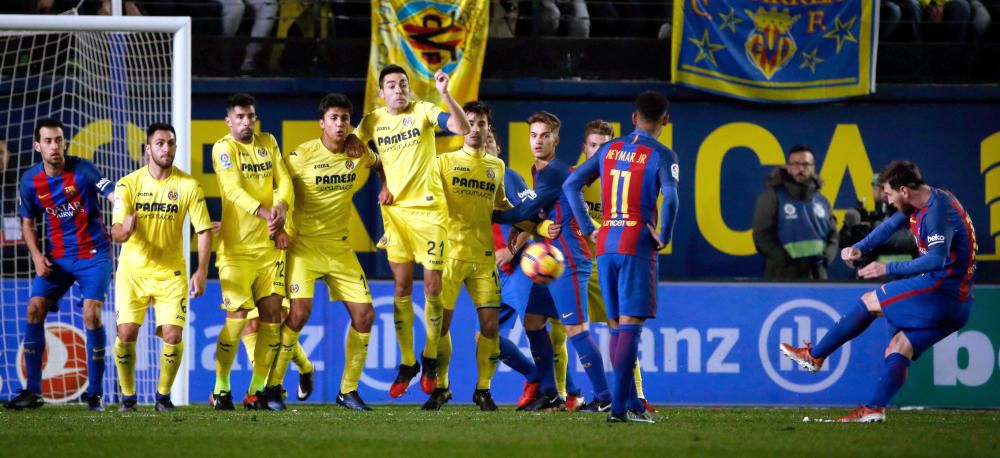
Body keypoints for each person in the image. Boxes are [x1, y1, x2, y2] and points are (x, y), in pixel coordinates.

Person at [781, 160, 976, 423]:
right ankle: (873, 409)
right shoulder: (928, 200)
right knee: (899, 346)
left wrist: (886, 267)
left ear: (904, 191)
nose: (888, 200)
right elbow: (890, 225)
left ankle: (814, 356)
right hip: (958, 305)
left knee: (869, 301)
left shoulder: (935, 213)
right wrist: (861, 247)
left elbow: (936, 260)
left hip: (940, 292)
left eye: (890, 194)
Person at [353, 64, 471, 398]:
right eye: (391, 85)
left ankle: (431, 356)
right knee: (401, 286)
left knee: (433, 286)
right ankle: (408, 363)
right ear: (381, 93)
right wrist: (383, 180)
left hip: (431, 212)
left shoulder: (424, 111)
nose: (398, 89)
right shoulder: (372, 121)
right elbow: (351, 149)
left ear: (410, 89)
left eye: (403, 84)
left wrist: (446, 93)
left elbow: (461, 128)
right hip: (396, 216)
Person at [564, 91, 679, 423]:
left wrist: (588, 228)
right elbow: (670, 198)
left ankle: (629, 403)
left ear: (633, 118)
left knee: (616, 328)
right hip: (635, 242)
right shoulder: (662, 154)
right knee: (630, 326)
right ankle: (618, 409)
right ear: (665, 121)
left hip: (606, 243)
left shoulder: (610, 149)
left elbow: (572, 184)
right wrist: (665, 234)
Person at [264, 93, 377, 411]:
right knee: (298, 314)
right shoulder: (300, 157)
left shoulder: (358, 153)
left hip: (340, 248)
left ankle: (348, 391)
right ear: (322, 123)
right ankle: (273, 388)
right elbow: (280, 189)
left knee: (365, 316)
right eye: (334, 118)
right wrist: (280, 226)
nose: (340, 124)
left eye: (345, 119)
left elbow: (379, 163)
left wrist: (383, 185)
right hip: (303, 246)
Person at [495, 111, 611, 412]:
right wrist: (533, 225)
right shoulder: (540, 171)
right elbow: (536, 213)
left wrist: (490, 214)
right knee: (533, 321)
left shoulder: (556, 171)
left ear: (555, 139)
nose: (538, 141)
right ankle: (549, 391)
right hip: (549, 259)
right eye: (533, 135)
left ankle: (603, 397)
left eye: (545, 135)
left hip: (570, 259)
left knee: (576, 329)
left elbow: (527, 209)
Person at [5, 118, 116, 411]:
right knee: (33, 309)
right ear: (38, 146)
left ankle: (94, 395)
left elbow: (113, 193)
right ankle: (33, 392)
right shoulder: (30, 180)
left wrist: (123, 208)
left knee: (91, 314)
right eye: (49, 141)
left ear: (65, 142)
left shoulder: (83, 169)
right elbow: (27, 223)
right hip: (57, 258)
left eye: (59, 140)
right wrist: (36, 256)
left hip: (94, 255)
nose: (55, 146)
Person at [111, 123, 213, 412]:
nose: (166, 148)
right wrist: (126, 230)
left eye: (170, 143)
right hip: (133, 272)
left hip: (171, 273)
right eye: (159, 143)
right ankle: (128, 398)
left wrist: (202, 270)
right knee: (126, 334)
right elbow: (116, 232)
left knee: (173, 335)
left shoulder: (188, 186)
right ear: (148, 149)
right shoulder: (127, 184)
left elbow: (204, 230)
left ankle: (163, 397)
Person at [418, 101, 513, 411]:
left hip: (484, 258)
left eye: (481, 123)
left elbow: (501, 207)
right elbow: (428, 204)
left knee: (490, 327)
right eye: (470, 122)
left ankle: (483, 389)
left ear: (488, 128)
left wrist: (533, 220)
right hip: (449, 256)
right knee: (440, 328)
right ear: (462, 126)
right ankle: (442, 387)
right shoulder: (443, 162)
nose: (475, 128)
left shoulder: (496, 167)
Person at [209, 92, 293, 410]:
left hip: (269, 249)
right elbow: (232, 189)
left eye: (251, 116)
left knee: (272, 318)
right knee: (238, 320)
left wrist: (281, 206)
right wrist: (266, 212)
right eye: (240, 117)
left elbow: (283, 178)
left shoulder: (268, 142)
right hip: (236, 250)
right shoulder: (223, 149)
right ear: (229, 120)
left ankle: (256, 391)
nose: (247, 122)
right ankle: (221, 389)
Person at [570, 119, 655, 413]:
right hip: (578, 263)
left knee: (620, 328)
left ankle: (635, 395)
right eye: (593, 146)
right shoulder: (577, 180)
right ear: (584, 149)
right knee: (561, 327)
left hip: (608, 261)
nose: (597, 152)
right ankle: (566, 393)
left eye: (602, 147)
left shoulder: (621, 178)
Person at [752, 145, 838, 280]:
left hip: (817, 275)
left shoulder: (822, 200)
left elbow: (833, 235)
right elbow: (762, 236)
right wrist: (785, 261)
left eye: (806, 164)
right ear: (788, 167)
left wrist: (826, 258)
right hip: (782, 274)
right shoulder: (773, 196)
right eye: (795, 164)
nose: (800, 169)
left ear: (813, 168)